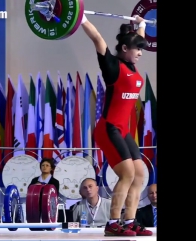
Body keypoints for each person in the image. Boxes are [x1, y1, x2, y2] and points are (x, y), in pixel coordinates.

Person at [80, 13, 152, 236]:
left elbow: (136, 38)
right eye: (136, 49)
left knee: (139, 173)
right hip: (109, 128)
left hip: (123, 130)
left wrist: (140, 25)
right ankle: (112, 224)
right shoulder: (113, 66)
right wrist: (80, 18)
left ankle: (130, 220)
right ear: (123, 49)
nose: (140, 53)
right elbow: (98, 39)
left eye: (141, 49)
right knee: (127, 173)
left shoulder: (131, 64)